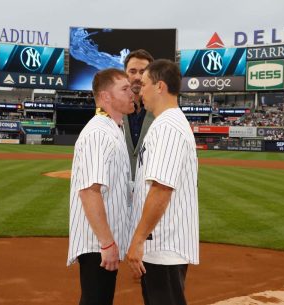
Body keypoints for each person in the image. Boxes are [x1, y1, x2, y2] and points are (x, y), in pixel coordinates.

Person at [126, 59, 199, 305]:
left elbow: (161, 189)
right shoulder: (167, 123)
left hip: (163, 244)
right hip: (162, 243)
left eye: (144, 84)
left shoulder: (167, 127)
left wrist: (137, 241)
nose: (139, 90)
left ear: (160, 86)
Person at [67, 68, 135, 305]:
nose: (132, 93)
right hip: (98, 242)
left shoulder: (113, 129)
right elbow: (89, 191)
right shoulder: (98, 133)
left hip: (104, 238)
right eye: (124, 89)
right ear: (106, 97)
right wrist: (106, 242)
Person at [123, 49, 154, 180]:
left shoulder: (160, 111)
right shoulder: (114, 110)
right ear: (125, 74)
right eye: (132, 71)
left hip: (148, 189)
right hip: (120, 190)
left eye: (143, 72)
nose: (137, 77)